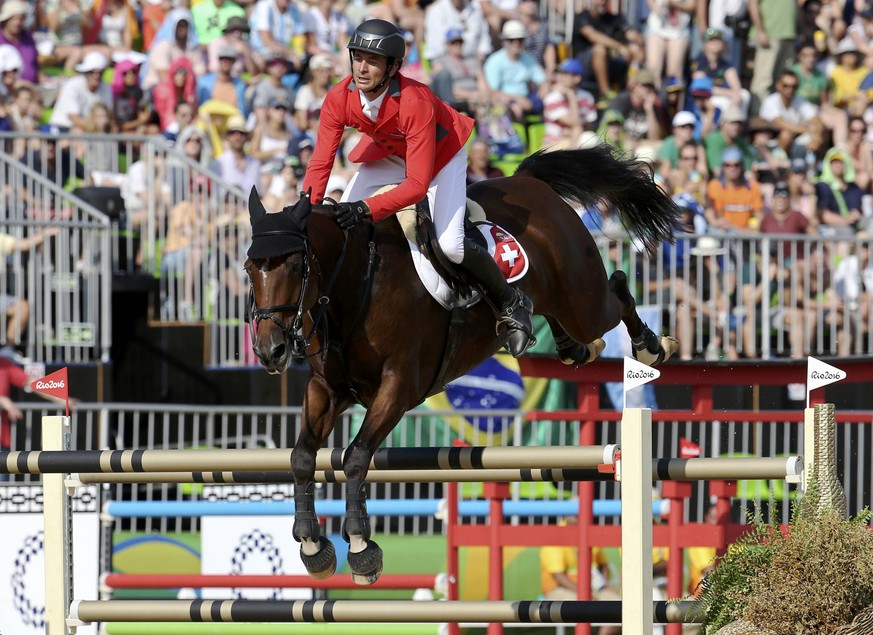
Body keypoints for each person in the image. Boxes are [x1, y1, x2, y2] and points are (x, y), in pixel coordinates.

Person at [301, 19, 534, 357]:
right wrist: (305, 210)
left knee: (451, 245)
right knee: (341, 231)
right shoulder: (339, 97)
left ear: (393, 67)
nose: (362, 68)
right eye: (358, 57)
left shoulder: (415, 101)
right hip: (390, 153)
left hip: (440, 157)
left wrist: (365, 209)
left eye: (373, 60)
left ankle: (512, 302)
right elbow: (321, 163)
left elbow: (415, 186)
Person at [482, 20, 548, 121]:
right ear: (504, 41)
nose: (516, 43)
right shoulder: (495, 61)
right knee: (516, 108)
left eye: (520, 39)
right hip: (506, 101)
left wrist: (544, 92)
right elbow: (492, 91)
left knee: (552, 99)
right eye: (512, 40)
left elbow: (542, 80)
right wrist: (517, 99)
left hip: (527, 97)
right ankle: (517, 136)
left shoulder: (528, 59)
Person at [48, 51, 113, 131]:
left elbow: (109, 117)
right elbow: (74, 119)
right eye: (92, 72)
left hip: (90, 130)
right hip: (62, 127)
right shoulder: (72, 86)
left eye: (100, 72)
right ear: (86, 72)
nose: (97, 76)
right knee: (77, 132)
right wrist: (96, 129)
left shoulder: (106, 89)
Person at [542, 58, 597, 148]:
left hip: (575, 140)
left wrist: (570, 95)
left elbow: (588, 126)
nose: (561, 77)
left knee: (590, 138)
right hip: (553, 144)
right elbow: (575, 124)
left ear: (577, 78)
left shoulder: (587, 97)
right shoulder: (552, 98)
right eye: (560, 73)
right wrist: (571, 96)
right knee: (579, 131)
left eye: (566, 74)